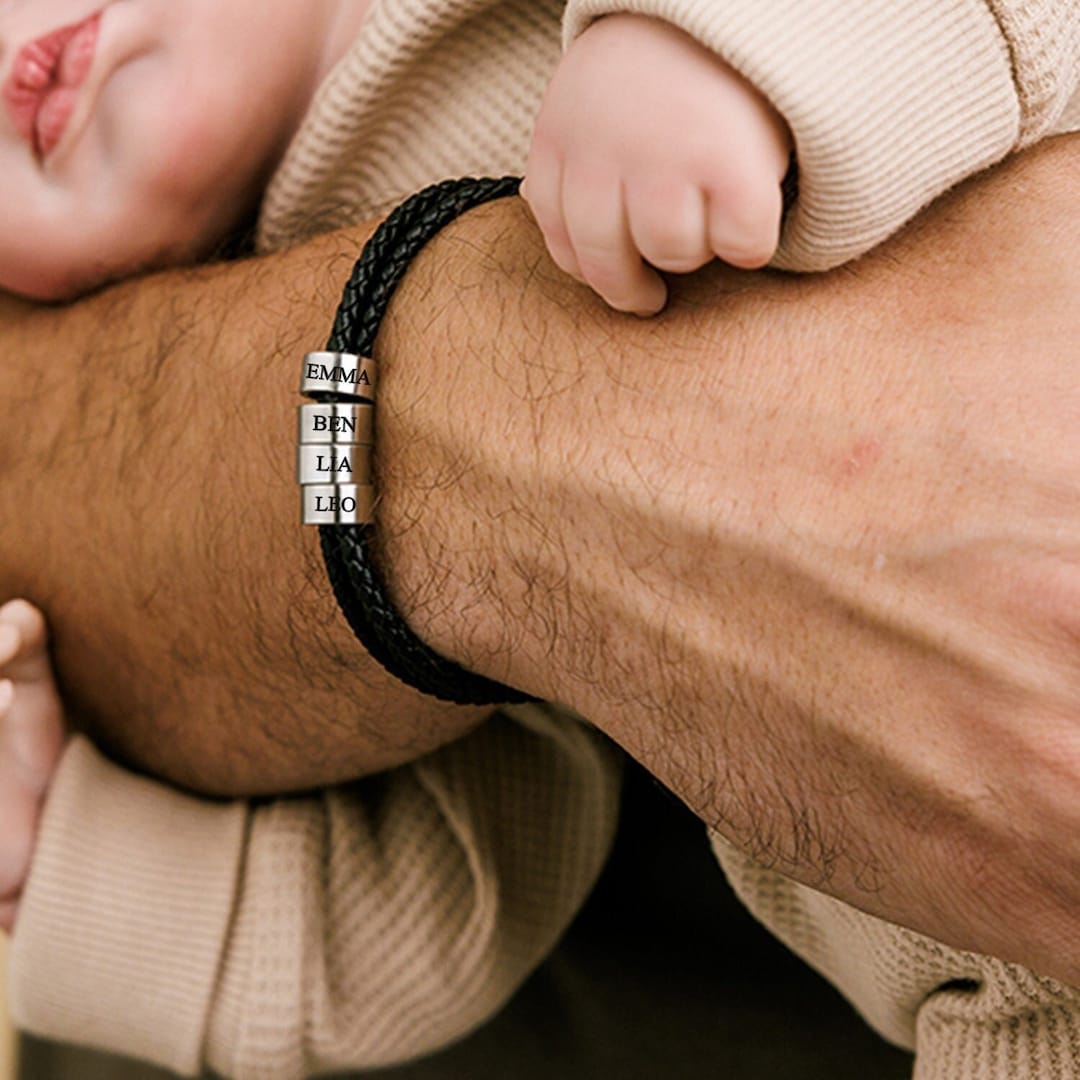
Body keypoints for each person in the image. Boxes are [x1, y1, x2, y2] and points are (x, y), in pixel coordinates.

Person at [1, 0, 1079, 1077]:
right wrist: (67, 870)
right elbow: (450, 894)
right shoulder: (221, 444)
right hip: (1015, 994)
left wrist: (741, 39)